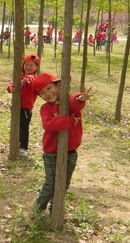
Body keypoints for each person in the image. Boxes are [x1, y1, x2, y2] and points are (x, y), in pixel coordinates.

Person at [31, 72, 92, 215]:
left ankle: (55, 208)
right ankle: (38, 208)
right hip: (51, 153)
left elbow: (75, 102)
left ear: (58, 86)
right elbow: (49, 124)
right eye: (42, 93)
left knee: (64, 183)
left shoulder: (67, 102)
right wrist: (70, 121)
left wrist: (81, 98)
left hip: (70, 152)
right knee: (51, 183)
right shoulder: (45, 108)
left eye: (49, 88)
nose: (47, 94)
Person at [7, 54, 39, 157]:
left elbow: (32, 82)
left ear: (36, 68)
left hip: (26, 107)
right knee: (15, 125)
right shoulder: (19, 76)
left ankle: (23, 147)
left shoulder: (33, 77)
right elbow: (11, 84)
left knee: (24, 128)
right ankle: (16, 143)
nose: (28, 67)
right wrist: (10, 88)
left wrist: (27, 80)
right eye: (27, 65)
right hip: (15, 106)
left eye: (31, 65)